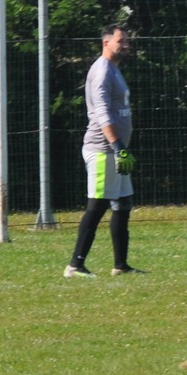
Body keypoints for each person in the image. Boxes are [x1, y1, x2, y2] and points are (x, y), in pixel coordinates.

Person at [66, 23, 140, 277]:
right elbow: (101, 112)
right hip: (102, 150)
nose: (126, 45)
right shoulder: (102, 71)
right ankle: (75, 265)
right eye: (122, 41)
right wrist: (117, 145)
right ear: (106, 42)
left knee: (122, 203)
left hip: (115, 151)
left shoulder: (114, 70)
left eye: (127, 41)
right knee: (97, 206)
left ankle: (121, 266)